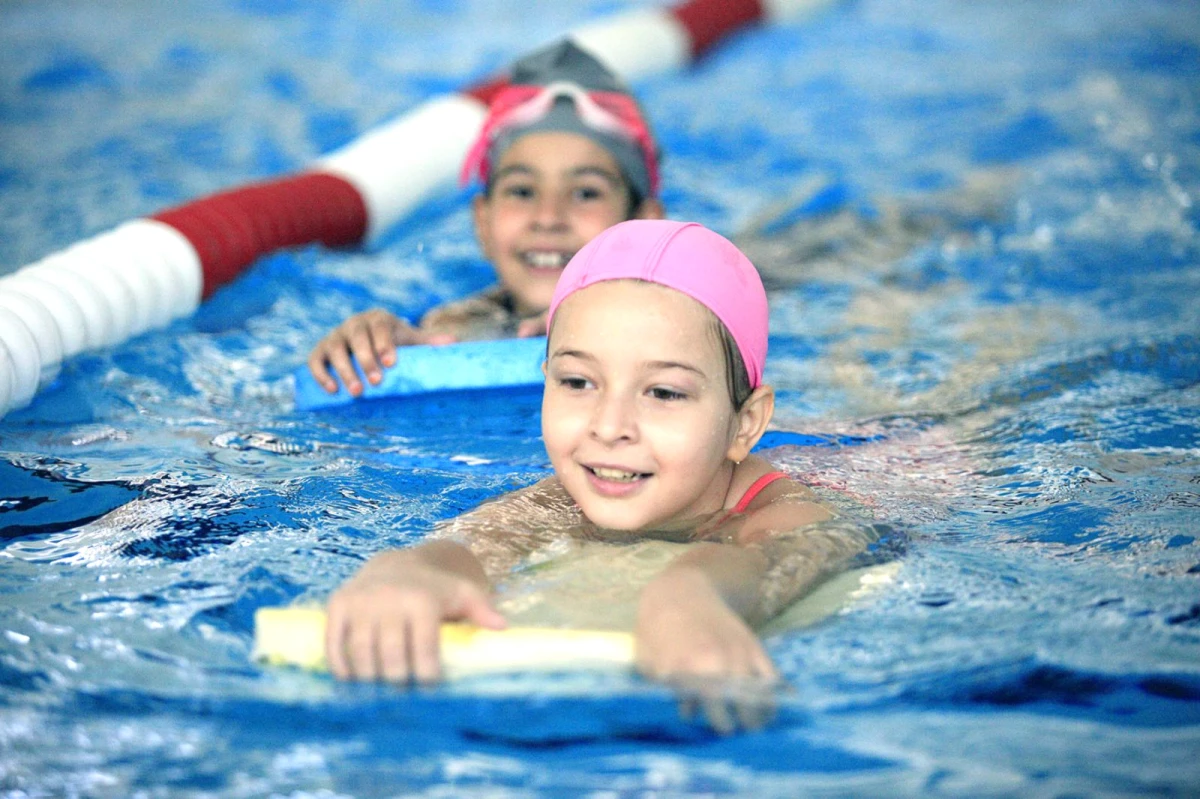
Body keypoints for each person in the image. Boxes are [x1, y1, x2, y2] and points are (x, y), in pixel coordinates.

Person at [323, 220, 878, 733]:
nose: (610, 427)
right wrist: (415, 567)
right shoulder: (563, 496)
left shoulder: (785, 510)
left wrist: (689, 592)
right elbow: (479, 541)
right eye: (577, 382)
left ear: (745, 423)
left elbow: (776, 556)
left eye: (664, 392)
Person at [307, 39, 665, 396]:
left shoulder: (685, 323)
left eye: (586, 193)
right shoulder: (461, 327)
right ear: (483, 224)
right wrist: (380, 349)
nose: (548, 217)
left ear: (645, 225)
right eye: (522, 191)